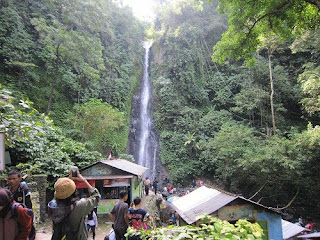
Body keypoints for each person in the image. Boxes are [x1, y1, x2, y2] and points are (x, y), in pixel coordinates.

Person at [48, 170, 100, 240]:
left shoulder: (52, 206)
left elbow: (57, 196)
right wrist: (84, 180)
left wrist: (68, 181)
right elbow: (96, 196)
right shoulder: (80, 205)